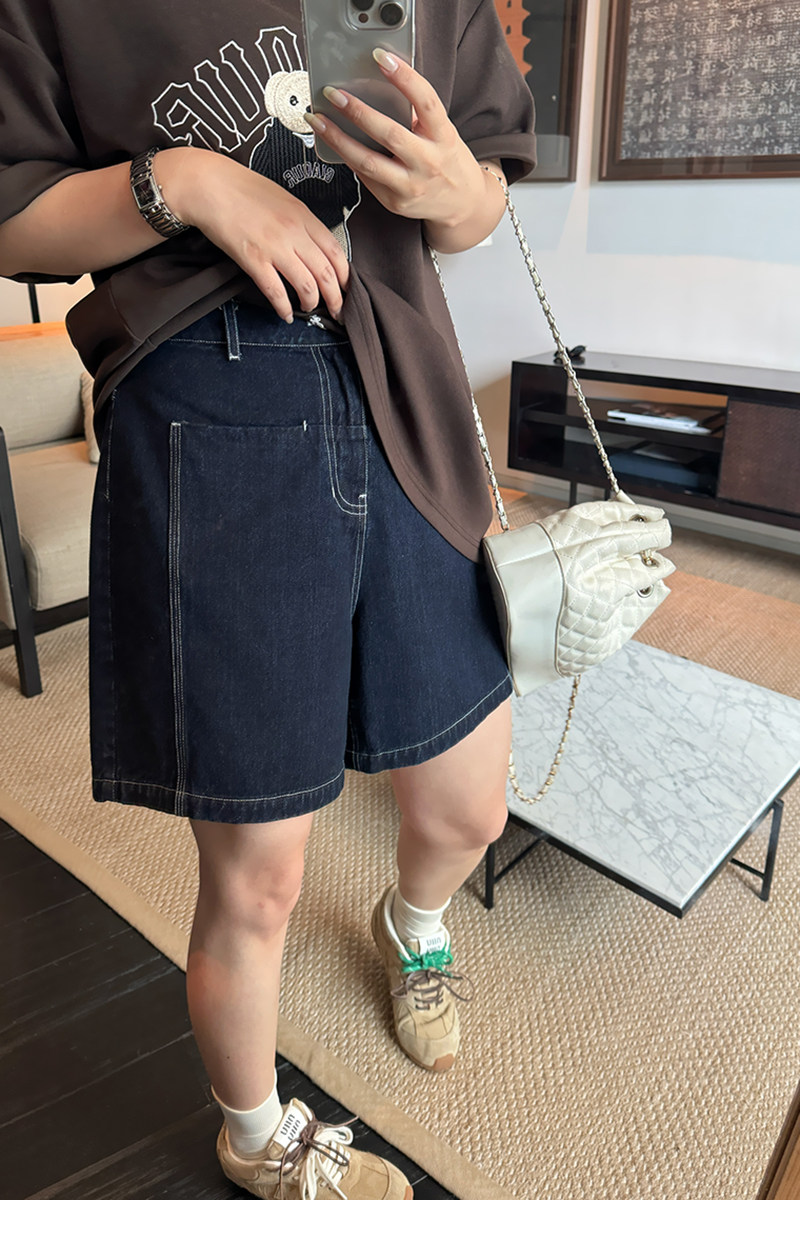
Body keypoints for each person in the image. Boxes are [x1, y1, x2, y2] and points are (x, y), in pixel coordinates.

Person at [0, 0, 536, 1201]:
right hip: (211, 407)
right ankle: (253, 1133)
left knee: (469, 804)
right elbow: (12, 215)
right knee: (259, 874)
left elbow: (480, 201)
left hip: (403, 386)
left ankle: (412, 922)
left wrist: (456, 191)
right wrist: (184, 183)